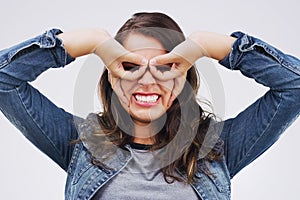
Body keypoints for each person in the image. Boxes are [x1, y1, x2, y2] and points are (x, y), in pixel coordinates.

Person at [0, 12, 299, 200]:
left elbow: (294, 86)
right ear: (112, 78)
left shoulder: (215, 147)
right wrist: (93, 41)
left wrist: (206, 45)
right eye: (130, 66)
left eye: (165, 67)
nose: (146, 82)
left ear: (182, 80)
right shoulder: (83, 142)